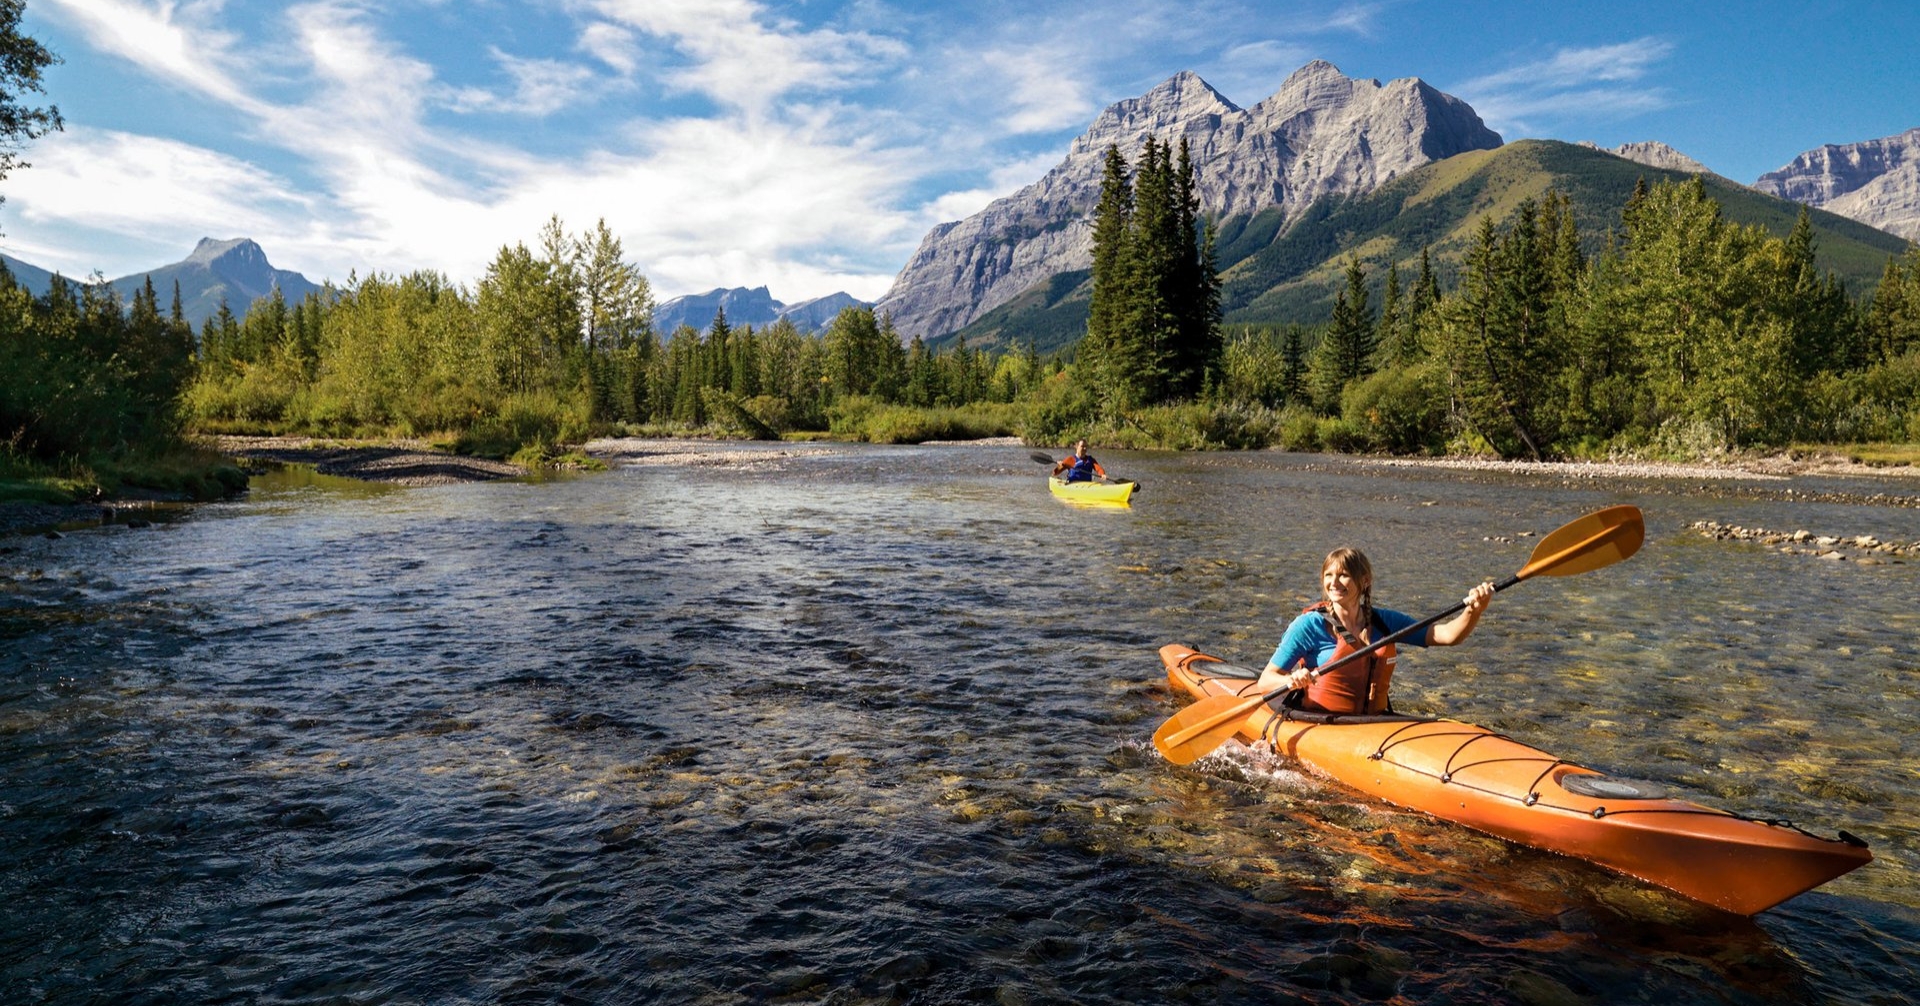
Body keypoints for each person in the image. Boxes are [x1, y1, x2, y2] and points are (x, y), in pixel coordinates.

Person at [1256, 547, 1495, 714]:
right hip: (1321, 722)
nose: (1334, 582)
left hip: (1373, 722)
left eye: (1344, 575)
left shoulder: (1384, 622)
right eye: (1328, 575)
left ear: (1365, 581)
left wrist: (1474, 610)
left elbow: (1446, 635)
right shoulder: (1309, 625)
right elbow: (1266, 681)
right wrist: (1291, 679)